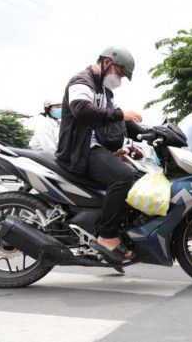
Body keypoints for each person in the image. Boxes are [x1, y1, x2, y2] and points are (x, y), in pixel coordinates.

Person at [55, 46, 144, 263]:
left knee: (135, 173)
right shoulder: (82, 81)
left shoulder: (105, 92)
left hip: (93, 148)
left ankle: (115, 230)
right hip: (79, 151)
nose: (119, 78)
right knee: (123, 177)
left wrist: (150, 133)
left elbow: (122, 122)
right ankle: (106, 236)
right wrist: (121, 114)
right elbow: (81, 109)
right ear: (106, 62)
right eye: (120, 72)